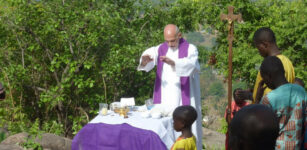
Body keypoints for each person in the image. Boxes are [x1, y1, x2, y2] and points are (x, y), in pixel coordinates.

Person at [137, 24, 202, 149]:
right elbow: (149, 54)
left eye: (173, 41)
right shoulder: (161, 48)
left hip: (184, 96)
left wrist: (174, 63)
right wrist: (145, 60)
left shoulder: (190, 49)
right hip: (165, 97)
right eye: (167, 41)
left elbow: (193, 66)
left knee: (186, 127)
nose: (170, 44)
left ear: (179, 35)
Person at [236, 27, 295, 103]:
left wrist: (249, 96)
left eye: (258, 47)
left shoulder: (269, 66)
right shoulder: (288, 62)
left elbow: (269, 97)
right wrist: (253, 91)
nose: (259, 51)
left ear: (265, 44)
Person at [259, 56, 306, 150]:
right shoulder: (301, 91)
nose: (265, 83)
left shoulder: (268, 99)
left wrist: (257, 99)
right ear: (283, 72)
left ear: (269, 76)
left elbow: (260, 129)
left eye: (264, 79)